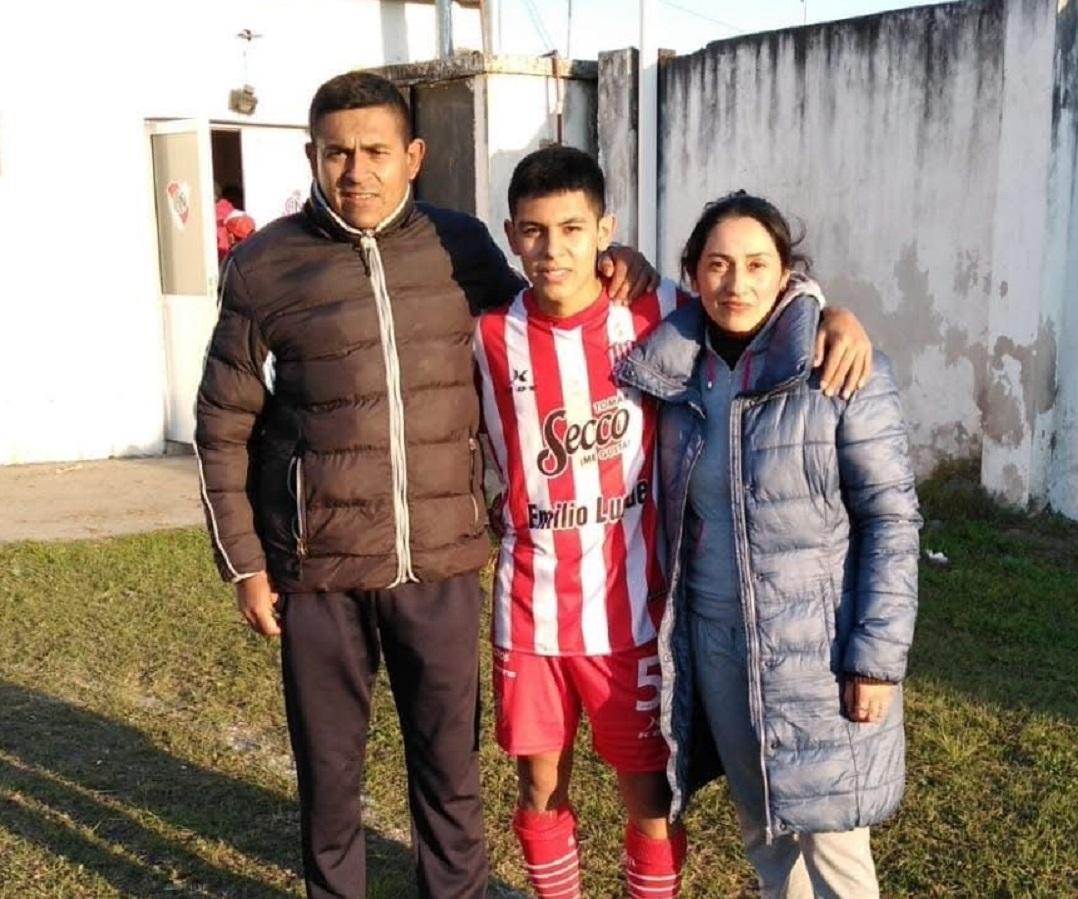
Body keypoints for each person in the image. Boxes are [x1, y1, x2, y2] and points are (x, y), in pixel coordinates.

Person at [193, 72, 656, 899]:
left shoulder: (462, 245)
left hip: (441, 566)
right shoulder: (265, 264)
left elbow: (550, 319)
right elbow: (222, 421)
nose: (356, 171)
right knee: (330, 778)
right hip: (318, 572)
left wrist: (626, 267)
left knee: (451, 774)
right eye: (337, 153)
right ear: (312, 155)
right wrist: (246, 563)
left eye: (376, 151)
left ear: (413, 156)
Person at [475, 152, 877, 898]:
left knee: (651, 802)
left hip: (631, 614)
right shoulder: (489, 334)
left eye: (572, 228)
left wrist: (830, 312)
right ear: (510, 235)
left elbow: (752, 291)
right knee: (538, 785)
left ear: (606, 230)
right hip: (529, 612)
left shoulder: (654, 311)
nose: (553, 248)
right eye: (533, 231)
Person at [616, 192, 921, 898]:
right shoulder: (676, 370)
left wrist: (875, 658)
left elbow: (891, 520)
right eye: (718, 264)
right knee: (763, 835)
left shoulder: (840, 369)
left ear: (788, 273)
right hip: (716, 646)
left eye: (758, 264)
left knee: (835, 848)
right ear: (692, 272)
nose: (737, 282)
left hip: (815, 652)